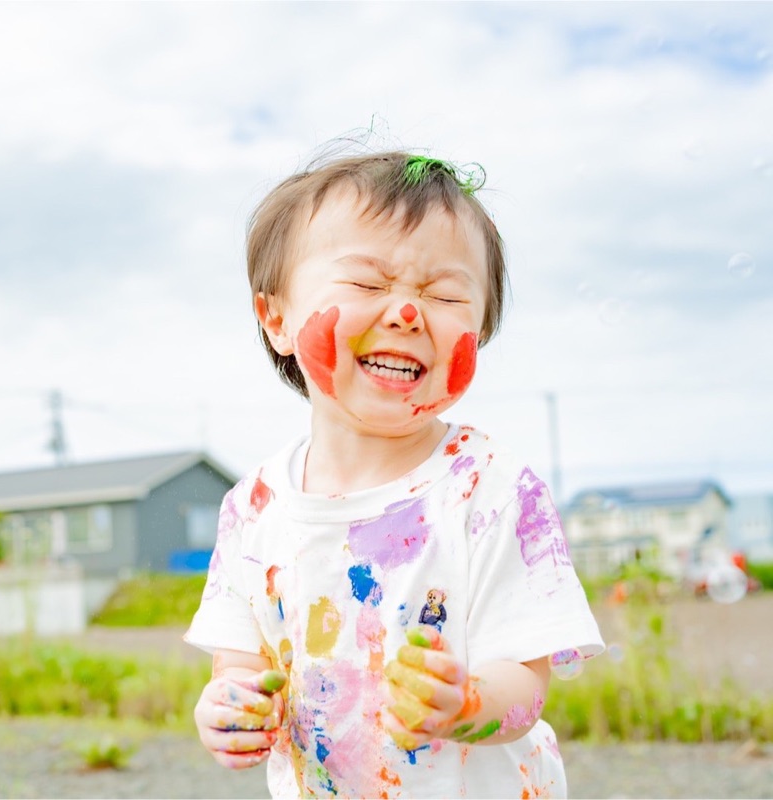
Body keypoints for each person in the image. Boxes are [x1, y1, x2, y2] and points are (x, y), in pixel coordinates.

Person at [185, 149, 604, 799]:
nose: (407, 312)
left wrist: (467, 705)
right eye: (367, 284)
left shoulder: (492, 490)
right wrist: (228, 709)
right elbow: (237, 664)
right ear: (276, 319)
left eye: (444, 295)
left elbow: (526, 687)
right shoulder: (253, 508)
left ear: (480, 331)